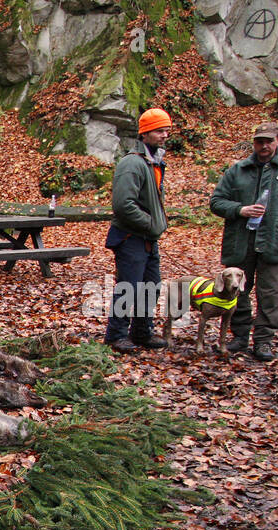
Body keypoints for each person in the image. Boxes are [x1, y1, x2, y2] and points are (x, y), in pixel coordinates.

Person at [209, 122, 278, 362]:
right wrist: (240, 209)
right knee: (238, 291)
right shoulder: (239, 170)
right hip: (241, 242)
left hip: (277, 241)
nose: (264, 145)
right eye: (260, 141)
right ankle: (239, 336)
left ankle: (264, 341)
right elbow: (216, 202)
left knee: (270, 294)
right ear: (254, 142)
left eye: (269, 140)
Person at [103, 108, 171, 353]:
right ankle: (116, 336)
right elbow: (123, 205)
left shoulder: (154, 161)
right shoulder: (132, 163)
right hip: (131, 238)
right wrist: (150, 223)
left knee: (150, 286)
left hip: (148, 238)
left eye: (166, 130)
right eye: (159, 130)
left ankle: (142, 332)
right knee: (128, 288)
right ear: (145, 133)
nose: (164, 135)